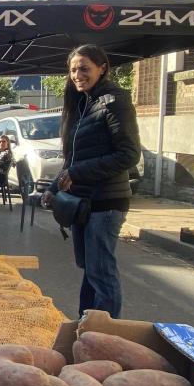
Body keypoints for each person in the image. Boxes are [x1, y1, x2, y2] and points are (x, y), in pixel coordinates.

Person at [41, 44, 140, 319]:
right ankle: (87, 323)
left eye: (84, 68)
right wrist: (52, 188)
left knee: (101, 271)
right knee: (90, 269)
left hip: (106, 202)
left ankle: (107, 332)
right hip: (83, 202)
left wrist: (78, 173)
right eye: (73, 69)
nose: (77, 75)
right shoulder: (82, 104)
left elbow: (129, 154)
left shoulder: (115, 101)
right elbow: (72, 159)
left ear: (103, 68)